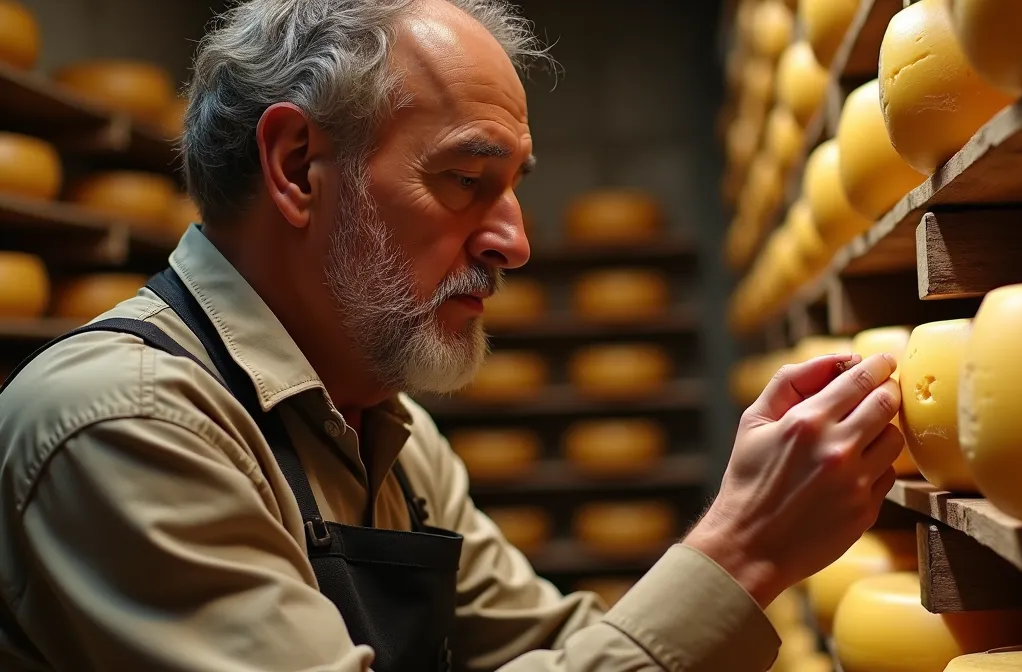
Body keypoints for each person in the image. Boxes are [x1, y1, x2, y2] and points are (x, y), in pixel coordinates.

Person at [0, 1, 905, 670]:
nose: (515, 241)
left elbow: (560, 647)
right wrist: (740, 552)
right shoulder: (125, 428)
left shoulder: (383, 428)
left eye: (514, 186)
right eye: (468, 179)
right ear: (297, 168)